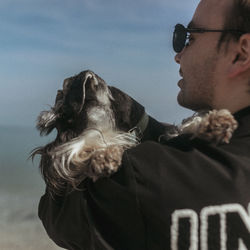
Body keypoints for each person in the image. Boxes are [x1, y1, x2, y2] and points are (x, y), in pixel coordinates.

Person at [38, 0, 250, 249]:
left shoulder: (143, 178)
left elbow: (60, 214)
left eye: (189, 38)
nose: (178, 55)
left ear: (242, 53)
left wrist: (73, 128)